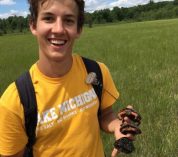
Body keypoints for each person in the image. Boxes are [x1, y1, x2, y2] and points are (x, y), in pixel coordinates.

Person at [0, 0, 140, 157]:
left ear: (78, 29)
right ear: (33, 25)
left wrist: (117, 127)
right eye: (48, 18)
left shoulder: (96, 71)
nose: (59, 29)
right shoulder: (15, 101)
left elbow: (105, 114)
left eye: (68, 20)